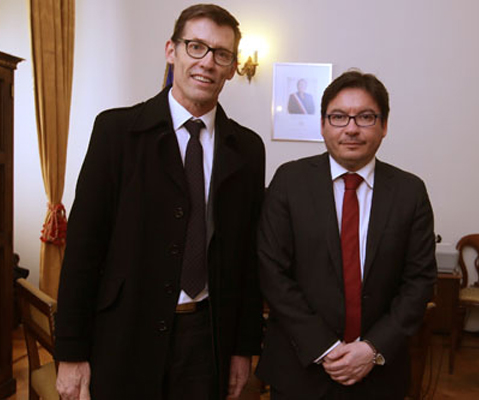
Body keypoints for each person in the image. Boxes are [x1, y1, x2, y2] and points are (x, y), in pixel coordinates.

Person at [54, 4, 265, 400]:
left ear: (232, 68)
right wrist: (70, 352)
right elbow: (83, 248)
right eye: (196, 46)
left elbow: (247, 261)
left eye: (221, 54)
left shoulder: (247, 149)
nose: (207, 62)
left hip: (207, 340)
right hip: (124, 333)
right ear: (171, 50)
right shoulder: (116, 132)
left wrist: (243, 347)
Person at [256, 71, 437, 399]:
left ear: (384, 125)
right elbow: (272, 272)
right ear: (322, 124)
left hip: (379, 373)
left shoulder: (410, 192)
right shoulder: (289, 181)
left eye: (365, 117)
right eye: (339, 117)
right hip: (300, 368)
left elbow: (420, 280)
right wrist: (324, 347)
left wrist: (373, 348)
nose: (351, 128)